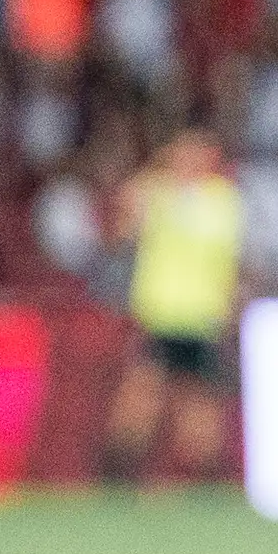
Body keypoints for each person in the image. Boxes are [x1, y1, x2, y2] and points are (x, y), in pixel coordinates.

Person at [105, 130, 245, 484]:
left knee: (198, 406)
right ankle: (119, 476)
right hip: (160, 315)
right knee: (140, 402)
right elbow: (121, 222)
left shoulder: (220, 201)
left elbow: (229, 260)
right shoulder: (157, 193)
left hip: (201, 317)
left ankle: (204, 479)